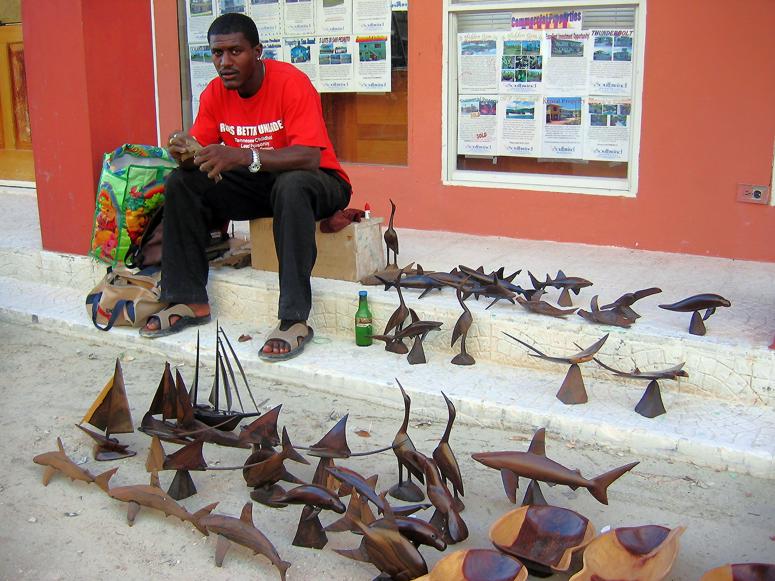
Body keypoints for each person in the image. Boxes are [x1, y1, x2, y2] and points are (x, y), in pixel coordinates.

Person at [140, 13, 352, 362]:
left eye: (235, 51)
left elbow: (309, 157)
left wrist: (241, 155)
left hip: (320, 183)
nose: (224, 62)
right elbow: (205, 156)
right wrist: (184, 153)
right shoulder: (214, 93)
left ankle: (293, 319)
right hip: (262, 186)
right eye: (217, 54)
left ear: (257, 52)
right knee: (181, 182)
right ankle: (188, 298)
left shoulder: (291, 83)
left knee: (293, 184)